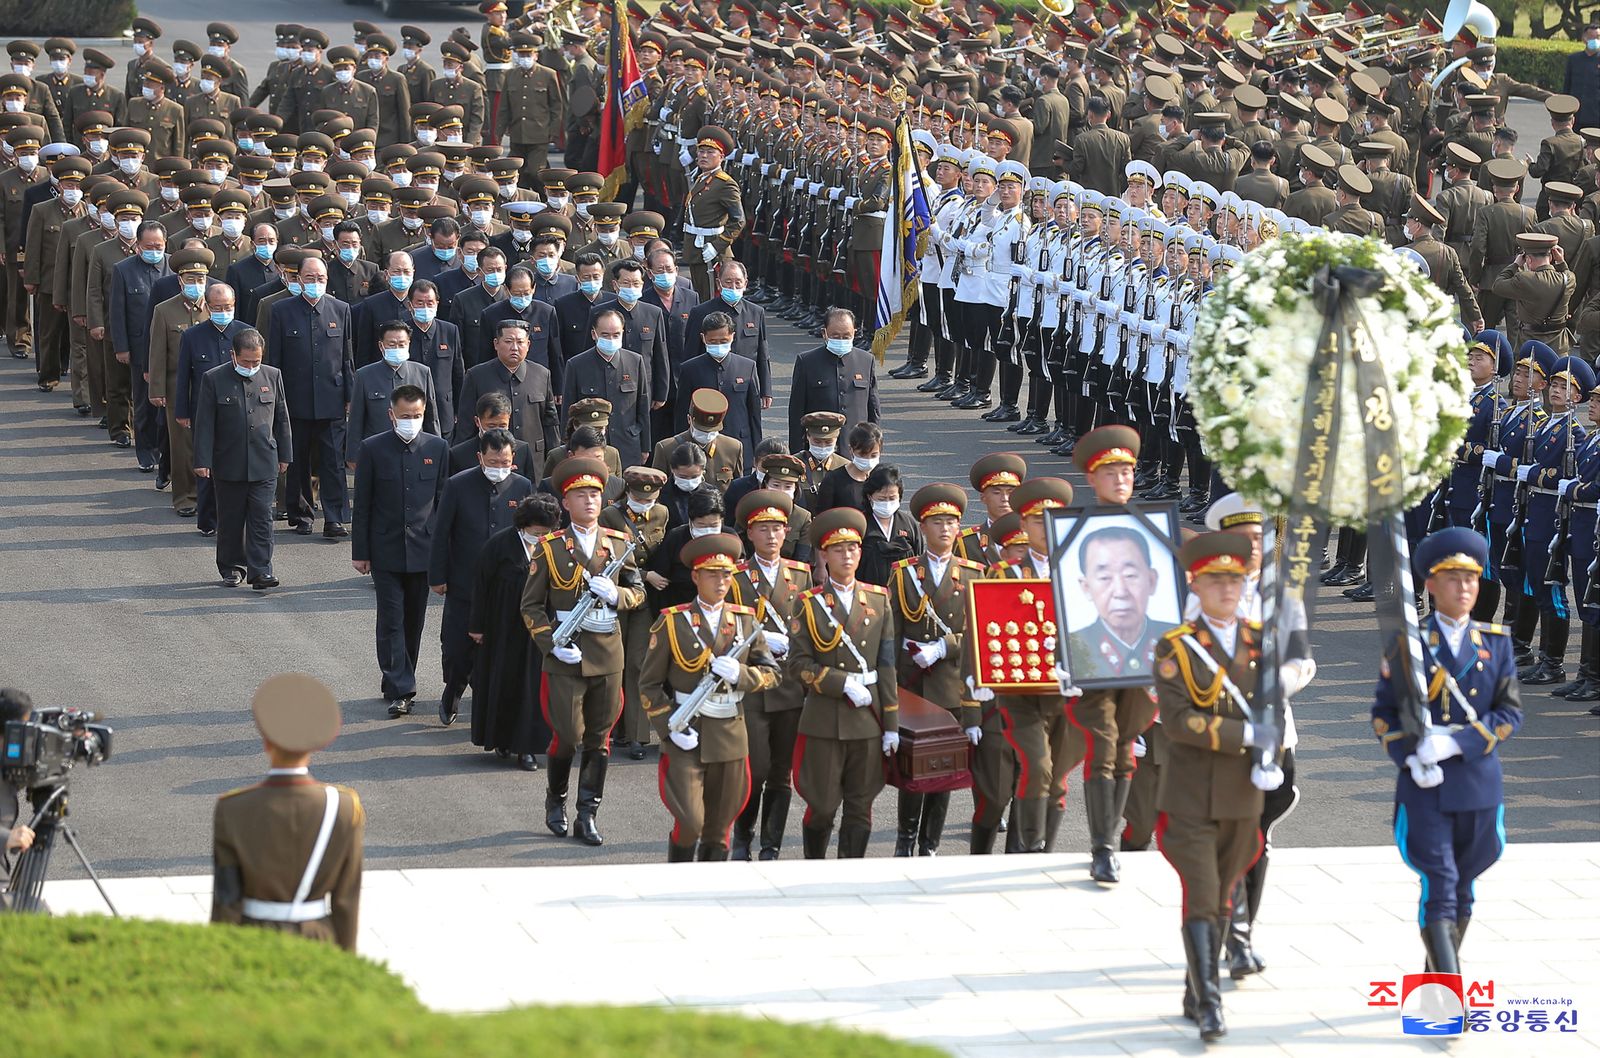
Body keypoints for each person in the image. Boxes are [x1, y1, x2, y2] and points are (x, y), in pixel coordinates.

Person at [1372, 527, 1523, 981]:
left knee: (1464, 890)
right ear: (1431, 584)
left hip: (1477, 783)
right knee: (1439, 884)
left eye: (1471, 579)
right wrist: (1410, 755)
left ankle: (1434, 973)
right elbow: (1383, 714)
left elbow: (1509, 712)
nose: (1464, 588)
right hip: (1425, 786)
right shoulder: (1409, 644)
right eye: (1452, 578)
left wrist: (1456, 741)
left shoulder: (1495, 642)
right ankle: (1448, 990)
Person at [1153, 532, 1279, 1043]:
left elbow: (1273, 705)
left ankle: (1193, 985)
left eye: (1235, 579)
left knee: (1224, 898)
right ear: (1195, 585)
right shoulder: (1176, 647)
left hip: (1243, 795)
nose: (1227, 589)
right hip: (1189, 795)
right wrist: (1247, 735)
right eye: (1215, 580)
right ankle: (1210, 1002)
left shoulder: (1260, 640)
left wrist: (1273, 749)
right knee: (1203, 895)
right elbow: (1180, 721)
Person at [520, 457, 647, 847]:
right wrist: (551, 643)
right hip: (566, 655)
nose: (590, 501)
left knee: (599, 738)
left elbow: (639, 593)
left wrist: (619, 594)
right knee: (568, 736)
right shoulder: (551, 547)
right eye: (581, 495)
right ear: (566, 501)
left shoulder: (619, 542)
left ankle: (587, 812)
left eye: (595, 494)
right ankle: (555, 801)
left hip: (608, 653)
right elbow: (531, 606)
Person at [1067, 426, 1169, 882]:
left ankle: (1112, 840)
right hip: (1092, 655)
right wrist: (1063, 654)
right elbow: (1063, 597)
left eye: (1127, 470)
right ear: (1093, 478)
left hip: (1144, 658)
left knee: (1125, 751)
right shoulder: (1075, 531)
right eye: (1111, 471)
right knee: (1104, 746)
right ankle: (1102, 846)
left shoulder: (1151, 528)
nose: (1121, 478)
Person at [639, 533, 781, 861]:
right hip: (686, 730)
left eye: (726, 574)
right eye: (712, 574)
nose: (721, 581)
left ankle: (704, 894)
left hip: (730, 731)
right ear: (695, 576)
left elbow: (773, 675)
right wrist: (667, 725)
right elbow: (648, 685)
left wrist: (742, 675)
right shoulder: (672, 622)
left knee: (719, 830)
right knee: (690, 821)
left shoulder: (746, 621)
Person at [211, 673, 364, 953]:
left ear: (266, 742)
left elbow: (226, 902)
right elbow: (346, 902)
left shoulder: (232, 809)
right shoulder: (343, 807)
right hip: (318, 940)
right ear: (316, 744)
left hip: (252, 941)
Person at [789, 507, 900, 859]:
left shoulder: (879, 599)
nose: (847, 556)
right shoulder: (809, 604)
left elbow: (887, 666)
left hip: (868, 717)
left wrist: (892, 725)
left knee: (860, 807)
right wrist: (839, 683)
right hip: (826, 716)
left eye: (852, 548)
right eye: (838, 549)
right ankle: (815, 868)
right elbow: (798, 665)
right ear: (824, 554)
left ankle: (851, 874)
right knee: (822, 807)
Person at [985, 476, 1085, 854]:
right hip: (1023, 694)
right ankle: (1028, 843)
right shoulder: (1005, 574)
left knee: (1057, 778)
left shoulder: (1079, 573)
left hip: (1068, 693)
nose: (1047, 529)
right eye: (1038, 521)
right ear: (1024, 526)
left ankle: (1042, 851)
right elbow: (990, 629)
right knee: (1038, 766)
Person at [888, 483, 983, 857]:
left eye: (951, 522)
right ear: (922, 528)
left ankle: (930, 843)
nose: (945, 529)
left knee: (944, 770)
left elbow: (980, 633)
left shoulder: (975, 574)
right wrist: (892, 687)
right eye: (936, 522)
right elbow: (890, 634)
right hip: (914, 685)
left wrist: (945, 646)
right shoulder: (904, 574)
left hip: (953, 685)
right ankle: (904, 839)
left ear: (959, 528)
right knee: (912, 771)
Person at [351, 385, 450, 718]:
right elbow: (362, 504)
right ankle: (402, 688)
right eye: (405, 416)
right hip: (385, 548)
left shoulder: (437, 448)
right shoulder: (373, 448)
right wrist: (360, 551)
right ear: (391, 415)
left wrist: (443, 552)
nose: (411, 421)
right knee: (391, 619)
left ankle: (395, 674)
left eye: (417, 416)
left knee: (414, 622)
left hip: (424, 549)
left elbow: (442, 503)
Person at [727, 488, 813, 860]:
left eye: (778, 528)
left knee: (781, 772)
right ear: (749, 533)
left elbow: (810, 628)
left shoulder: (801, 574)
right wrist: (759, 639)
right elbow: (724, 629)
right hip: (752, 687)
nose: (773, 535)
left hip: (789, 685)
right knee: (756, 768)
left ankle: (771, 845)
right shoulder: (735, 577)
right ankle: (743, 835)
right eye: (764, 529)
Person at [429, 427, 535, 727]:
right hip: (464, 582)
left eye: (505, 462)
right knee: (455, 647)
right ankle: (453, 690)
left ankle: (487, 703)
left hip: (506, 585)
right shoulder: (457, 485)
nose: (498, 469)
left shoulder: (523, 486)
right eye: (492, 462)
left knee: (497, 648)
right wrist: (437, 575)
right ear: (480, 457)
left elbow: (532, 536)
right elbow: (441, 534)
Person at [469, 491, 561, 770]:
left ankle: (528, 748)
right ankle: (502, 739)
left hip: (541, 629)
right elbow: (481, 587)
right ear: (523, 525)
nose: (541, 536)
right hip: (503, 626)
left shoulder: (556, 546)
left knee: (533, 688)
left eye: (547, 531)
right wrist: (477, 626)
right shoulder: (499, 546)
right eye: (537, 531)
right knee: (504, 683)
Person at [192, 328, 291, 589]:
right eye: (246, 361)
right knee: (231, 519)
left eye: (256, 361)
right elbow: (204, 423)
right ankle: (231, 567)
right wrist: (202, 460)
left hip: (264, 460)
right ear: (233, 355)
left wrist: (285, 455)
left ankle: (261, 571)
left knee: (262, 518)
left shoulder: (272, 375)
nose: (251, 366)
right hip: (228, 462)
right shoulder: (213, 379)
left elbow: (281, 418)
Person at [267, 254, 354, 537]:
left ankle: (334, 517)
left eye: (320, 279)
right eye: (310, 278)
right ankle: (302, 514)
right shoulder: (281, 311)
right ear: (298, 279)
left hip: (332, 398)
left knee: (332, 461)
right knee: (298, 460)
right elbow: (274, 361)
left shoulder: (341, 310)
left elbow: (347, 358)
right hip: (295, 400)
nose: (315, 283)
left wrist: (350, 395)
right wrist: (277, 401)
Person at [600, 465, 672, 760]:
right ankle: (611, 728)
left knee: (639, 664)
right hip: (615, 596)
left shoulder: (662, 514)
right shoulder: (610, 516)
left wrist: (653, 575)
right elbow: (607, 558)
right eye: (639, 498)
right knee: (613, 665)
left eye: (650, 499)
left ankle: (637, 736)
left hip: (643, 601)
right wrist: (646, 573)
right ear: (627, 492)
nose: (645, 504)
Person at [453, 318, 559, 464]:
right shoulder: (476, 376)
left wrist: (554, 459)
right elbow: (465, 426)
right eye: (508, 342)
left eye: (520, 342)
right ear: (496, 344)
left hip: (533, 458)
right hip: (492, 460)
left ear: (528, 345)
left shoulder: (542, 374)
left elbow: (550, 423)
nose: (514, 347)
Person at [563, 306, 653, 468]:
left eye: (616, 334)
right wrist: (568, 446)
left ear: (622, 333)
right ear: (594, 334)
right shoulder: (576, 365)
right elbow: (567, 413)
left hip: (627, 446)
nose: (611, 339)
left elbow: (643, 407)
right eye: (605, 335)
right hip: (589, 449)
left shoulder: (635, 362)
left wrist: (645, 446)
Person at [346, 321, 441, 463]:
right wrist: (352, 455)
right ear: (381, 346)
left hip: (416, 451)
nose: (397, 348)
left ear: (409, 344)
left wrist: (437, 448)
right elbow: (356, 420)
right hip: (377, 453)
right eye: (392, 344)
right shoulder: (364, 375)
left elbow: (431, 418)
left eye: (402, 344)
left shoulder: (422, 372)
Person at [674, 313, 763, 463]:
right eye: (713, 342)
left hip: (740, 443)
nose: (718, 345)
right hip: (700, 447)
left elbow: (754, 413)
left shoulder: (747, 367)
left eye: (723, 341)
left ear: (732, 337)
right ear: (703, 338)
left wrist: (758, 451)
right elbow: (681, 412)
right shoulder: (690, 369)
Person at [787, 308, 879, 451]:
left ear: (854, 333)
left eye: (846, 336)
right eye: (835, 336)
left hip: (855, 449)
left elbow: (873, 409)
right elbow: (796, 411)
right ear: (825, 334)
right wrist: (797, 454)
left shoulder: (866, 361)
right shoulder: (807, 362)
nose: (841, 340)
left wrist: (873, 448)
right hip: (820, 448)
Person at [651, 387, 744, 490]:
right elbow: (656, 491)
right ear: (689, 419)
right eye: (701, 430)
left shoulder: (733, 448)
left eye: (711, 430)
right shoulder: (666, 448)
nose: (706, 434)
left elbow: (738, 490)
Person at [859, 465, 922, 587]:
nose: (887, 503)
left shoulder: (909, 524)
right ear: (869, 496)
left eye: (892, 498)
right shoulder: (860, 523)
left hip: (904, 594)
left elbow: (918, 556)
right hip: (869, 593)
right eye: (882, 499)